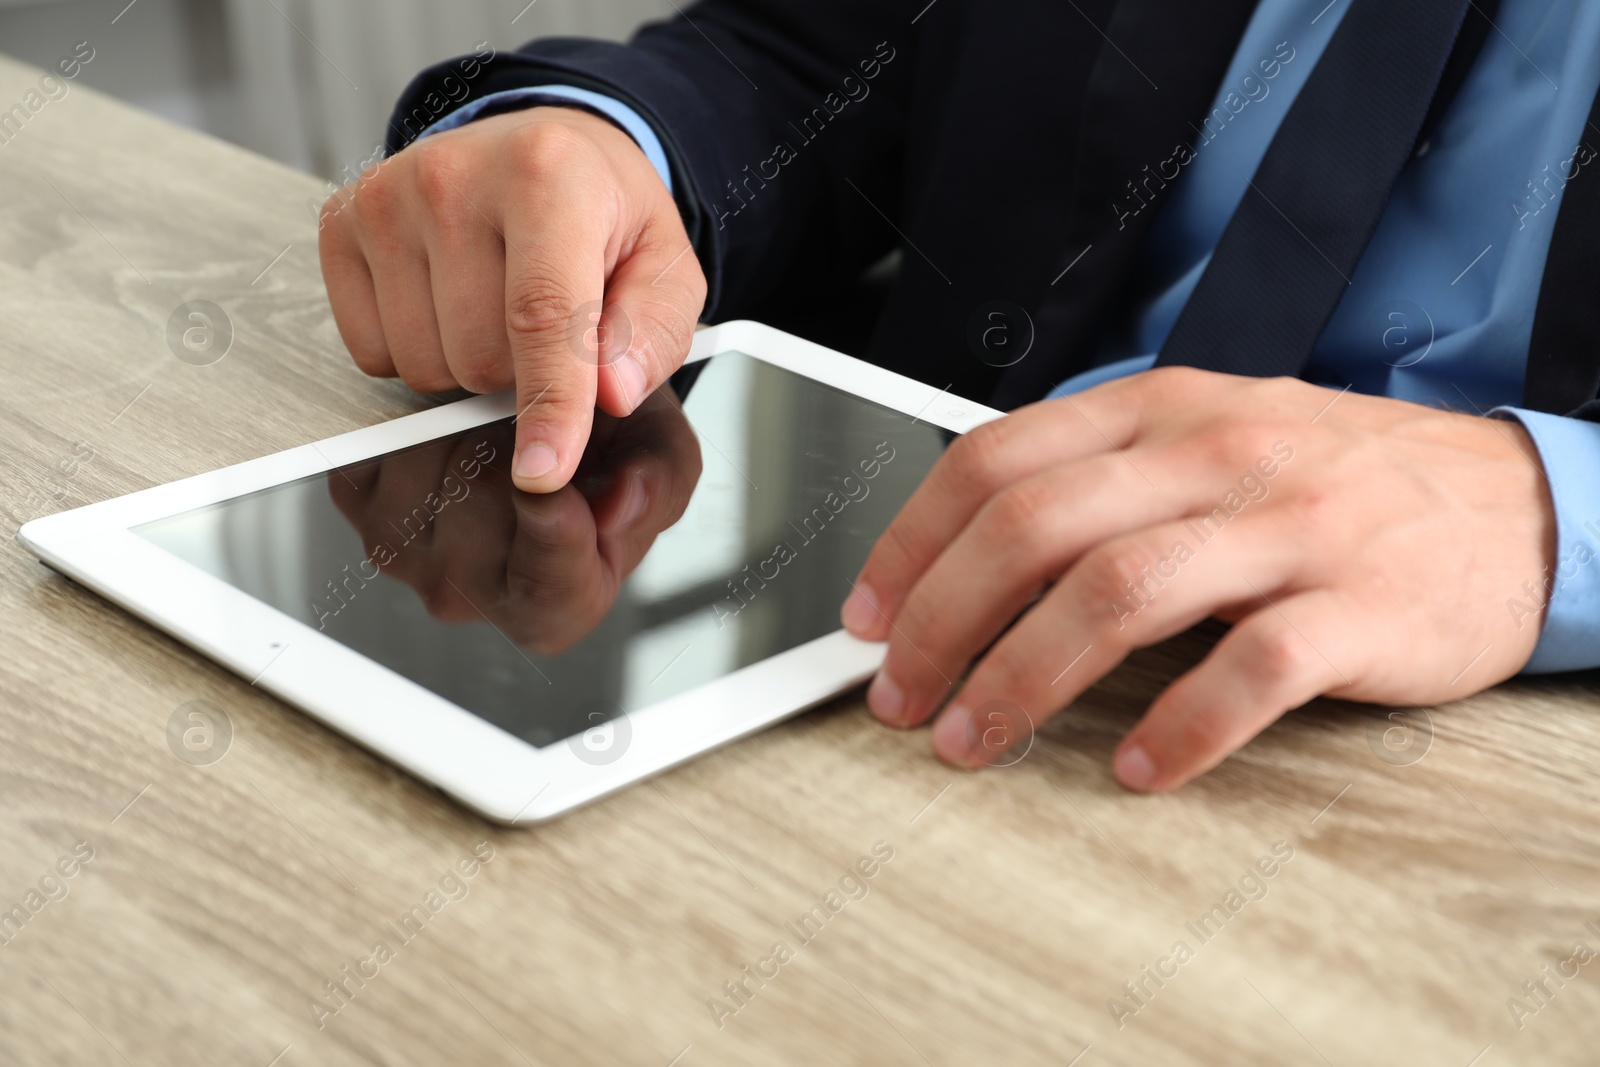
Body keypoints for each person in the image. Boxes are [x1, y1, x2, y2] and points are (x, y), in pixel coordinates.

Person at [317, 0, 1600, 792]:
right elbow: (805, 53)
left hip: (1455, 767)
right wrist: (604, 137)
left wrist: (1557, 513)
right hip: (908, 622)